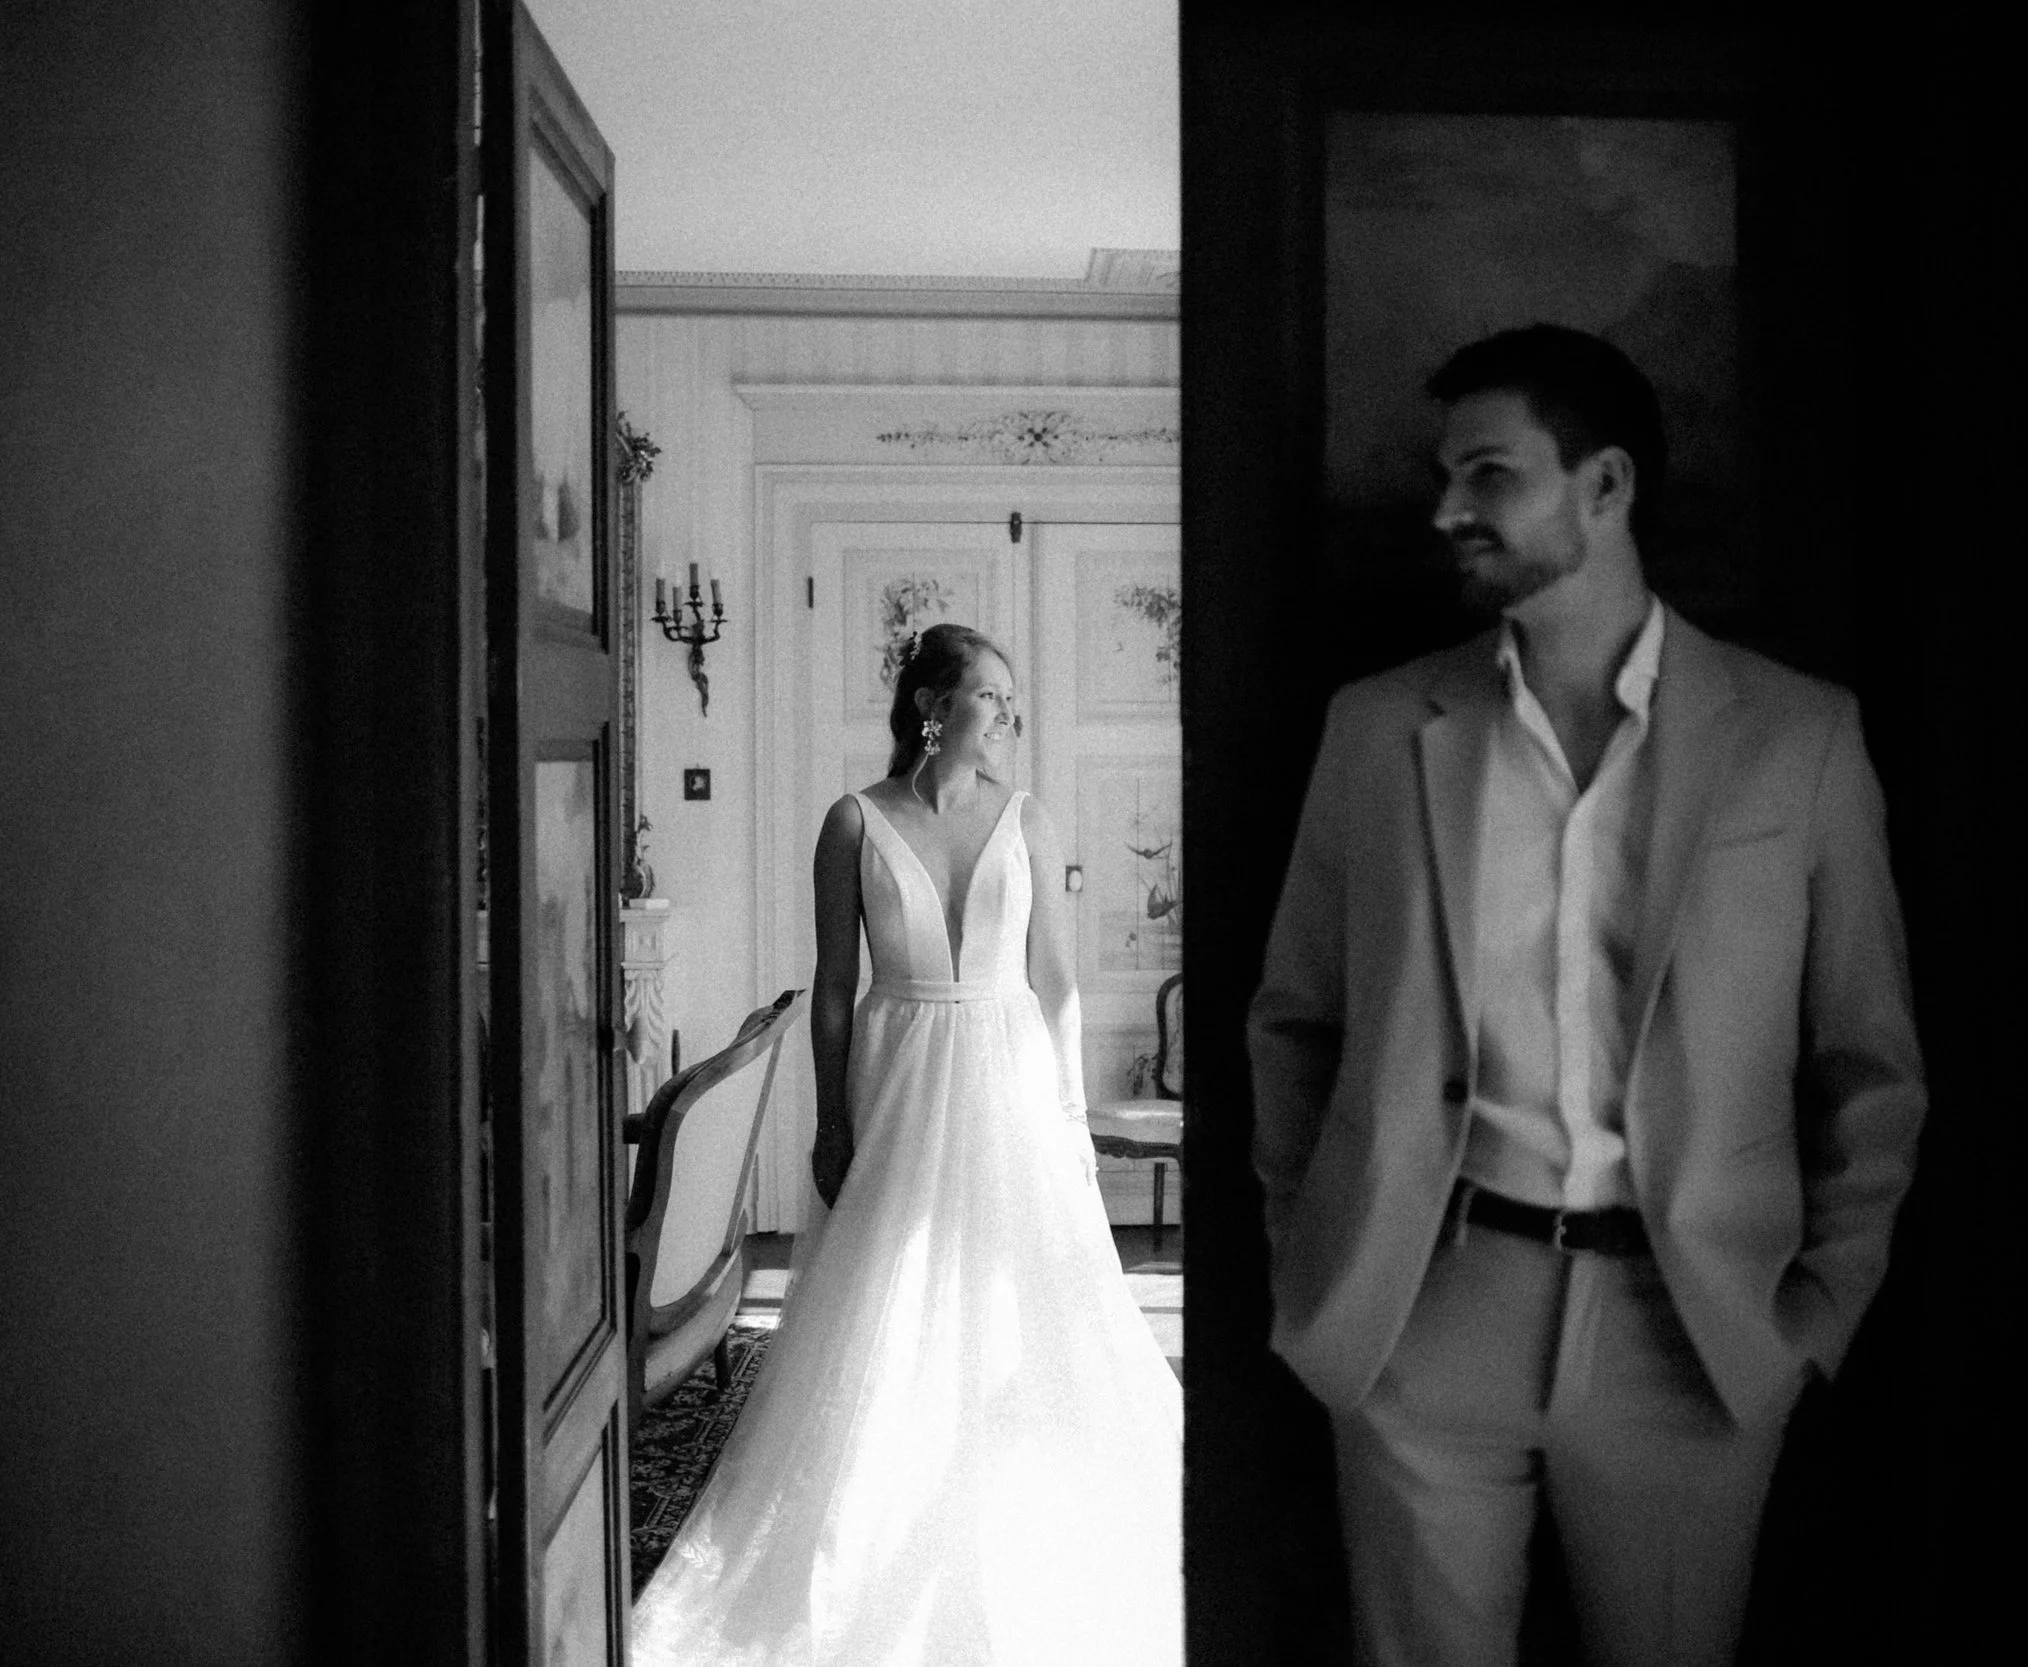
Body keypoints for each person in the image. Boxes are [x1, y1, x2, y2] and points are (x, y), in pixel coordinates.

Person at [1247, 324, 1926, 1667]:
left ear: (1605, 486)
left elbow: (1870, 1061)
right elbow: (1297, 1018)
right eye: (1447, 476)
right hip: (1420, 1304)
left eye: (1488, 474)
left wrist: (1814, 1317)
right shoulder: (1379, 729)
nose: (1446, 509)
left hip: (1696, 1325)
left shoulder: (1800, 736)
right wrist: (1315, 1250)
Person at [632, 622, 1182, 1666]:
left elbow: (1057, 980)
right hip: (900, 1070)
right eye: (992, 696)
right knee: (888, 1295)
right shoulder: (852, 822)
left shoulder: (1029, 818)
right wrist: (832, 1117)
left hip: (1011, 1077)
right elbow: (833, 989)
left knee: (1020, 1297)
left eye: (1013, 701)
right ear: (934, 704)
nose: (1010, 717)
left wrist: (1069, 1112)